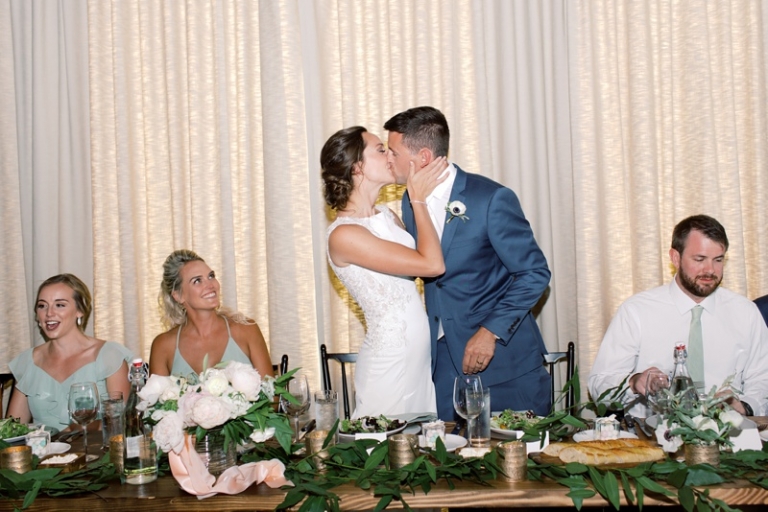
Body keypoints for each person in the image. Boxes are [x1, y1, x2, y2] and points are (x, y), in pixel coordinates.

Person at [384, 106, 552, 420]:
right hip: (443, 365)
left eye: (393, 152)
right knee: (446, 450)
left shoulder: (490, 198)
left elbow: (534, 273)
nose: (388, 159)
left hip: (505, 364)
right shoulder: (410, 200)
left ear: (423, 157)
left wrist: (490, 332)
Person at [322, 125, 448, 418]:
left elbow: (421, 264)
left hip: (418, 353)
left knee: (419, 438)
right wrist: (417, 199)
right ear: (357, 167)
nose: (391, 156)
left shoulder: (387, 216)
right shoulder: (344, 235)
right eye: (381, 150)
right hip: (390, 356)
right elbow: (432, 265)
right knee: (384, 441)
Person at [588, 215, 768, 418]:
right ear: (675, 258)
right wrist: (634, 382)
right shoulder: (636, 311)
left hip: (729, 432)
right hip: (650, 434)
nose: (710, 270)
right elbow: (599, 386)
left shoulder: (745, 312)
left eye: (718, 260)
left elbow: (762, 379)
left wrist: (745, 406)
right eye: (699, 259)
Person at [7, 274, 133, 431]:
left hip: (96, 447)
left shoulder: (109, 356)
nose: (49, 313)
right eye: (42, 306)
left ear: (80, 310)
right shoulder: (28, 362)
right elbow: (12, 430)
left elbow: (121, 423)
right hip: (42, 447)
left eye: (59, 305)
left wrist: (86, 427)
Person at [149, 249, 274, 379]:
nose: (210, 285)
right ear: (178, 296)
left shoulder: (247, 330)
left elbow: (272, 390)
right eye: (197, 281)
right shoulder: (163, 346)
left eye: (211, 276)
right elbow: (155, 392)